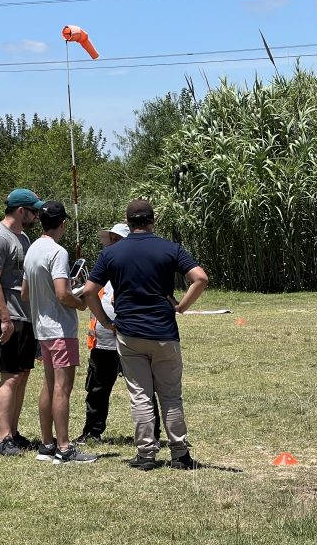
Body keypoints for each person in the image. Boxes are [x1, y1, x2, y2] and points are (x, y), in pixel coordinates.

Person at [83, 200, 208, 471]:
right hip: (164, 332)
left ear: (127, 222)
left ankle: (146, 454)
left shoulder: (111, 253)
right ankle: (180, 454)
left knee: (140, 395)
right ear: (153, 220)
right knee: (170, 395)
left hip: (129, 333)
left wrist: (105, 321)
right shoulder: (171, 248)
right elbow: (200, 278)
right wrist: (181, 307)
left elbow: (89, 291)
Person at [22, 201, 97, 464]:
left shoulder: (32, 249)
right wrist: (81, 302)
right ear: (63, 223)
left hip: (42, 329)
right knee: (62, 389)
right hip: (60, 329)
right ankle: (64, 448)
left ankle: (46, 444)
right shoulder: (58, 252)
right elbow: (63, 294)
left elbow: (25, 293)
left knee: (49, 384)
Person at [75, 223, 162, 444]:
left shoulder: (138, 267)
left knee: (143, 388)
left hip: (132, 337)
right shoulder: (102, 267)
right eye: (111, 239)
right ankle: (92, 431)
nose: (113, 243)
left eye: (117, 239)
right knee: (97, 388)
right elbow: (87, 295)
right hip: (104, 340)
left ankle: (152, 432)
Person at [0, 188, 43, 456]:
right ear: (21, 210)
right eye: (33, 211)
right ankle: (3, 439)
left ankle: (13, 433)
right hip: (8, 318)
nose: (36, 216)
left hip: (26, 317)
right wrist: (4, 317)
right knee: (10, 377)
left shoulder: (23, 237)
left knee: (22, 374)